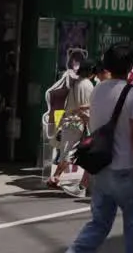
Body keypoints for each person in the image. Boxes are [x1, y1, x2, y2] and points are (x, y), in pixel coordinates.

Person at [66, 43, 133, 253]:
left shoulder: (97, 91)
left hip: (101, 167)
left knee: (99, 223)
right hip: (125, 167)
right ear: (131, 65)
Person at [49, 61, 96, 194]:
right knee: (69, 153)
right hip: (77, 122)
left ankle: (56, 177)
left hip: (69, 121)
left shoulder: (75, 82)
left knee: (67, 151)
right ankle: (55, 177)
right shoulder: (87, 85)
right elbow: (86, 107)